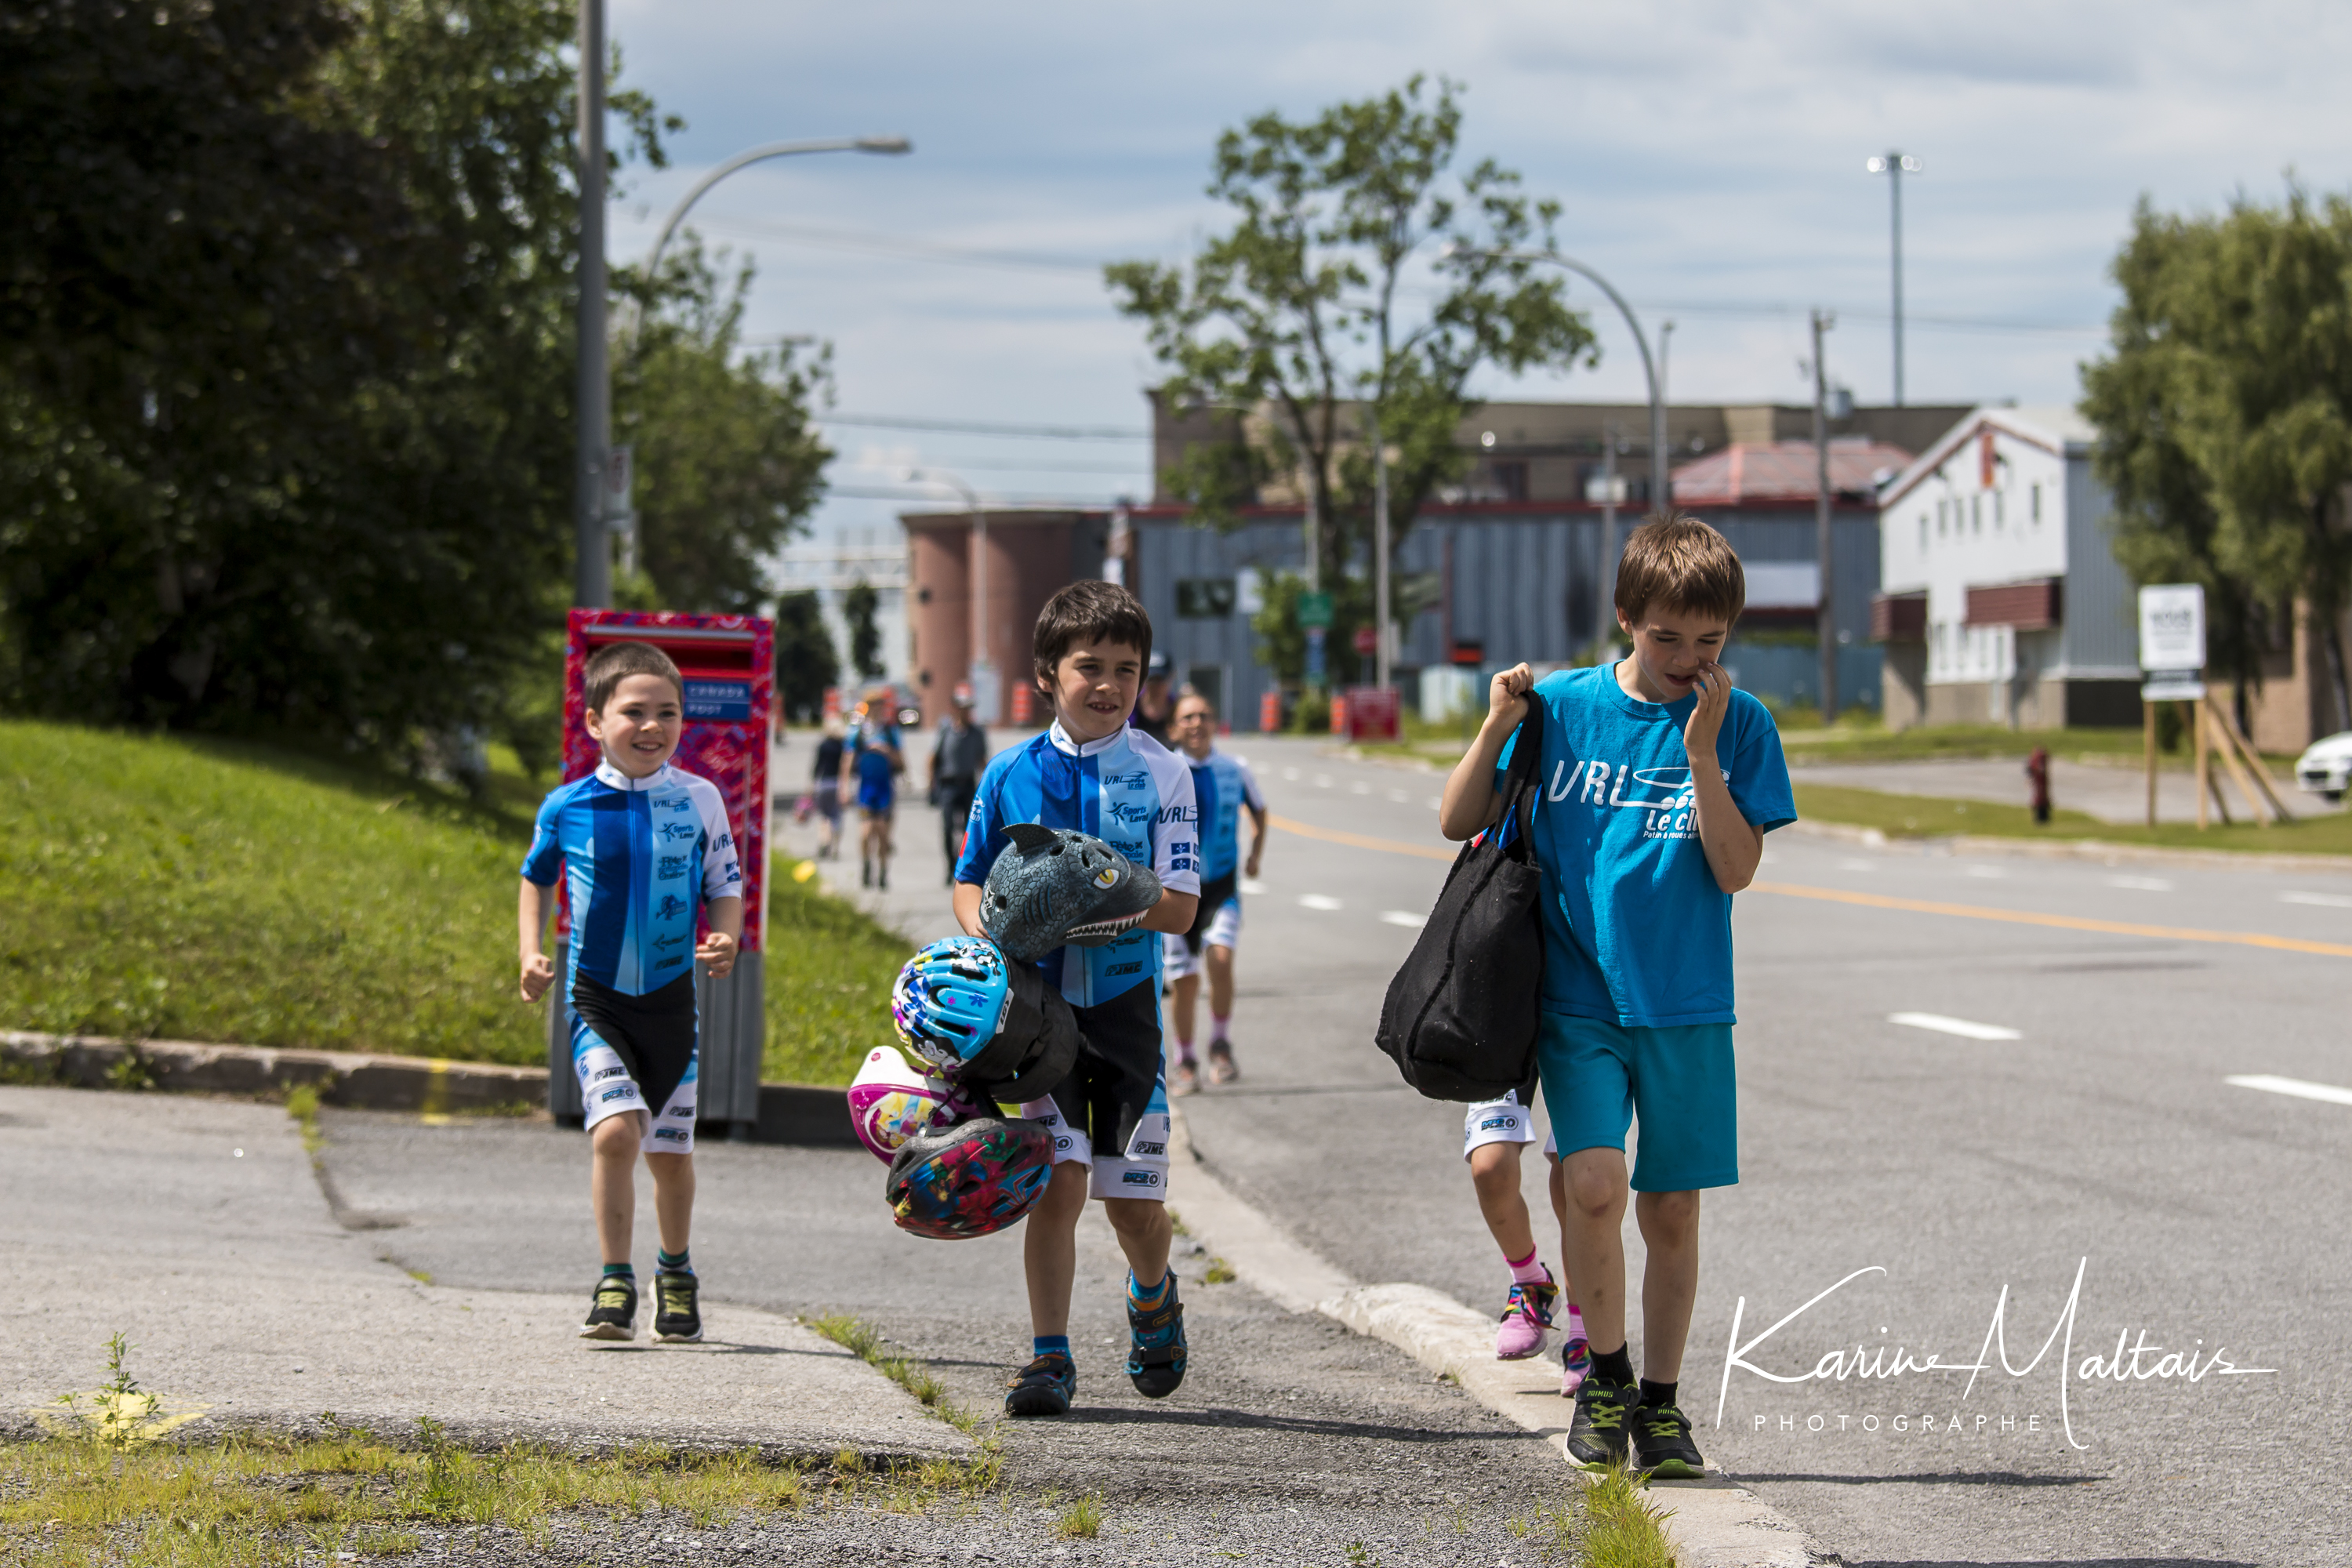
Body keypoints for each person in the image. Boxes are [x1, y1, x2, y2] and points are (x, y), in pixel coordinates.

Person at [1438, 512, 1795, 1479]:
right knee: (1592, 1183)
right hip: (1578, 999)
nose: (1688, 658)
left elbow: (1734, 869)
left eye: (1709, 641)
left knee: (1670, 1206)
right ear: (1627, 616)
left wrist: (1705, 755)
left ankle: (1664, 1405)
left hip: (1686, 1002)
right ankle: (1604, 1374)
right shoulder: (1564, 708)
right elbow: (1457, 816)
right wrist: (1497, 722)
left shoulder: (1739, 722)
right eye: (1667, 636)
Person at [953, 581, 1200, 1418]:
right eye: (1088, 665)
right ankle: (1048, 1356)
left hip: (1126, 1011)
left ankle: (1153, 1293)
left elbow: (1182, 906)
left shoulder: (1168, 771)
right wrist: (990, 938)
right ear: (1047, 673)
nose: (1108, 683)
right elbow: (968, 884)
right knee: (1055, 1184)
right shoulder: (1008, 772)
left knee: (1133, 1206)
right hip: (1037, 1013)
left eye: (1126, 669)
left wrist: (1106, 891)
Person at [517, 641, 745, 1346]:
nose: (652, 727)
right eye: (634, 712)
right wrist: (530, 951)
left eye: (667, 713)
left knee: (670, 1155)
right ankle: (614, 1277)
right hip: (598, 1001)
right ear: (595, 722)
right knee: (616, 1133)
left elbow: (725, 886)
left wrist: (727, 939)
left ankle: (674, 1272)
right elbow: (535, 877)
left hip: (674, 1006)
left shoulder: (701, 799)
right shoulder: (569, 805)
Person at [1161, 689, 1265, 1093]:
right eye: (1187, 717)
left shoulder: (1234, 768)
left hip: (1221, 886)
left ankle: (1221, 1044)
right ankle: (1186, 1060)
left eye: (1204, 715)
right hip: (1174, 892)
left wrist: (1255, 852)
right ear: (1173, 728)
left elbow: (1260, 811)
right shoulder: (1163, 771)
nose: (1196, 723)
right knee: (1185, 982)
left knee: (1220, 959)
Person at [1461, 1091, 1590, 1392]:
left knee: (1577, 1171)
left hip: (1580, 1042)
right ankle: (1532, 1284)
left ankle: (1587, 1333)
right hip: (1504, 1043)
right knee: (1490, 1168)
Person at [930, 684, 989, 884]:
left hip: (967, 785)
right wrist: (932, 786)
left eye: (969, 707)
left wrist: (988, 785)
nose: (966, 711)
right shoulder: (945, 730)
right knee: (947, 829)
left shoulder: (976, 732)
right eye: (962, 707)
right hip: (948, 785)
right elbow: (932, 758)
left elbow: (982, 760)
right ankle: (949, 864)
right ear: (954, 708)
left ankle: (964, 868)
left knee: (969, 830)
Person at [844, 691, 902, 889]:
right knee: (866, 832)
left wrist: (886, 751)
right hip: (866, 789)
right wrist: (844, 787)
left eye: (880, 704)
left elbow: (901, 762)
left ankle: (884, 872)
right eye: (873, 704)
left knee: (883, 834)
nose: (877, 708)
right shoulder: (857, 731)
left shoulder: (889, 732)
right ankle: (867, 864)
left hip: (886, 788)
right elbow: (848, 760)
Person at [810, 718, 846, 860]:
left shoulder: (823, 745)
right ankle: (835, 847)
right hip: (838, 783)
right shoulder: (844, 746)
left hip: (824, 783)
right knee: (837, 817)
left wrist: (812, 784)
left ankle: (824, 840)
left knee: (825, 816)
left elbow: (817, 765)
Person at [1129, 649, 1174, 748]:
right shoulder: (1129, 709)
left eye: (1160, 679)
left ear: (1171, 677)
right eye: (1151, 679)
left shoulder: (1179, 709)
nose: (1156, 685)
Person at [2026, 746, 2051, 826]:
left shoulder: (2037, 759)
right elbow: (2032, 769)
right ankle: (2041, 817)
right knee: (2039, 796)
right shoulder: (2038, 759)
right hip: (2038, 781)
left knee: (2040, 795)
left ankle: (2042, 817)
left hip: (2040, 781)